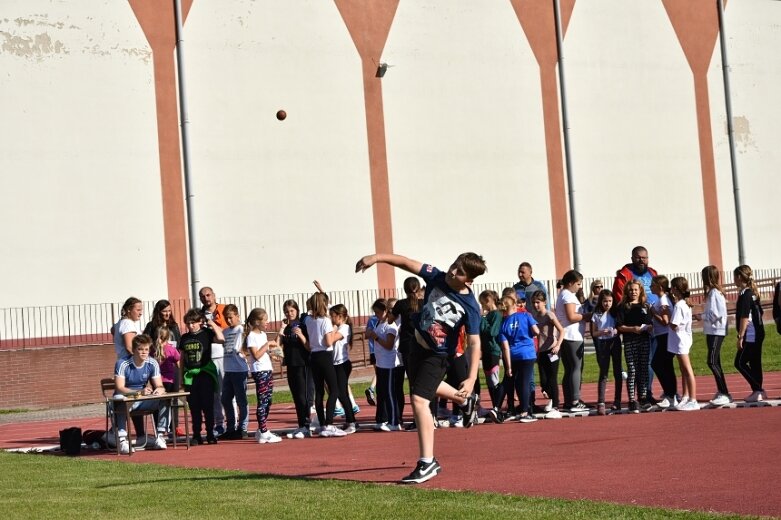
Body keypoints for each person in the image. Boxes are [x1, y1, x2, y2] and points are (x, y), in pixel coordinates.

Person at [355, 252, 485, 484]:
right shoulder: (436, 276)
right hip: (417, 345)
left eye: (460, 271)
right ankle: (464, 401)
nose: (453, 271)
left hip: (438, 355)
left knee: (418, 400)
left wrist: (472, 377)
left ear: (469, 280)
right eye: (454, 265)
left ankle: (428, 462)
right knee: (425, 388)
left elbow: (475, 343)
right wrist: (376, 258)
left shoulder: (471, 306)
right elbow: (406, 262)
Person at [612, 246, 659, 400]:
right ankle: (636, 397)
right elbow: (620, 302)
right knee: (634, 367)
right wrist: (631, 325)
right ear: (632, 258)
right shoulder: (624, 275)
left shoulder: (653, 273)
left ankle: (647, 393)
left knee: (650, 363)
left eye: (644, 257)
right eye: (638, 257)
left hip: (654, 323)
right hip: (633, 329)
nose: (642, 260)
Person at [112, 334, 170, 454]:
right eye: (140, 349)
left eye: (146, 349)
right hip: (127, 398)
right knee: (119, 399)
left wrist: (159, 389)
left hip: (143, 400)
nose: (144, 352)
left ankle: (160, 436)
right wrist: (139, 392)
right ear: (133, 350)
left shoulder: (152, 363)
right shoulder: (122, 363)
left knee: (165, 398)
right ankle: (122, 441)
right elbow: (119, 388)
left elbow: (160, 385)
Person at [179, 308, 224, 445]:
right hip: (191, 376)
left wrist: (211, 322)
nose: (190, 326)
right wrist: (181, 377)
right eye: (188, 323)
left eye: (193, 322)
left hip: (205, 374)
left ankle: (210, 434)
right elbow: (182, 358)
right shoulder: (184, 338)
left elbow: (221, 339)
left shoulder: (206, 333)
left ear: (200, 322)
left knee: (207, 405)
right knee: (194, 407)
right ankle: (197, 434)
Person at [305, 292, 347, 438]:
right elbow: (328, 342)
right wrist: (335, 330)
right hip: (325, 355)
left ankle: (322, 424)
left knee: (319, 391)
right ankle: (329, 424)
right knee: (334, 389)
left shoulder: (308, 320)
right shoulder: (326, 321)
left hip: (314, 356)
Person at [498, 294, 539, 423]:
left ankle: (498, 407)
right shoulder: (526, 316)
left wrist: (508, 366)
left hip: (514, 355)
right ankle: (525, 411)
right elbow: (536, 331)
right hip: (527, 353)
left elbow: (505, 348)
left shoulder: (503, 324)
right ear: (514, 305)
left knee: (517, 382)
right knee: (525, 382)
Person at [554, 270, 591, 412]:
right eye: (578, 283)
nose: (580, 286)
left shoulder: (564, 295)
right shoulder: (567, 295)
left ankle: (570, 400)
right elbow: (571, 316)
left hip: (568, 336)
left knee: (570, 369)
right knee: (575, 368)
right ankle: (574, 401)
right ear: (570, 283)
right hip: (572, 336)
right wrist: (587, 316)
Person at [615, 280, 653, 413]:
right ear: (626, 291)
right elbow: (619, 326)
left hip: (644, 340)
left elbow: (649, 323)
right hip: (630, 341)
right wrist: (633, 329)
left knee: (643, 369)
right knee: (632, 370)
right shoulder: (623, 307)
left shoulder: (645, 306)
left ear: (640, 290)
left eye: (636, 290)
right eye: (631, 290)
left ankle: (643, 397)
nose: (633, 292)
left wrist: (647, 327)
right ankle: (632, 400)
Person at [245, 307, 282, 444]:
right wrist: (267, 345)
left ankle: (262, 430)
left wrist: (273, 355)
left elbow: (264, 353)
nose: (267, 323)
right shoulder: (251, 337)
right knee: (263, 401)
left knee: (268, 400)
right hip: (260, 371)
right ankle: (263, 430)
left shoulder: (262, 335)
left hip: (267, 369)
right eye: (264, 320)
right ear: (256, 321)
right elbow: (256, 355)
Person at [696, 266, 730, 406]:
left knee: (712, 361)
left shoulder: (715, 293)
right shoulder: (712, 292)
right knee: (716, 361)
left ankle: (725, 392)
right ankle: (721, 390)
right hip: (712, 331)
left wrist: (701, 316)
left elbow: (716, 314)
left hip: (717, 331)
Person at [367, 301, 404, 431]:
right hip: (380, 362)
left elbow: (389, 345)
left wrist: (375, 337)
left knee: (389, 393)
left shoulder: (391, 326)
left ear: (385, 311)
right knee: (381, 392)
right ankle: (381, 419)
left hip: (389, 364)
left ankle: (394, 422)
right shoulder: (379, 323)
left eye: (377, 312)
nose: (376, 315)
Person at [278, 299, 312, 439]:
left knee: (304, 396)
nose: (289, 313)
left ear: (297, 311)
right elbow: (277, 344)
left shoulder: (303, 325)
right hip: (291, 364)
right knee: (296, 396)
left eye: (291, 311)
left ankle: (306, 425)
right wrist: (281, 329)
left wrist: (301, 335)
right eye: (286, 311)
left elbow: (309, 346)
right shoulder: (286, 328)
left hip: (302, 364)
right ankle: (301, 425)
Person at [733, 265, 767, 402]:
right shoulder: (753, 293)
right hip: (758, 332)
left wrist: (741, 336)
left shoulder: (745, 294)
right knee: (754, 362)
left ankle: (758, 388)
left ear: (739, 277)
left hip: (752, 334)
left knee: (739, 362)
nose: (734, 280)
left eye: (735, 277)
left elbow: (744, 317)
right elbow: (760, 312)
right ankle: (758, 391)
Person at [529, 290, 564, 419]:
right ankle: (551, 400)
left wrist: (558, 345)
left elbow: (561, 330)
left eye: (538, 302)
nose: (536, 305)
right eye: (534, 303)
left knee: (552, 378)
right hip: (541, 351)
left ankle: (556, 406)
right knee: (543, 382)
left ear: (544, 302)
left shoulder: (549, 315)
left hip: (552, 350)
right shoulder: (535, 317)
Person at [199, 286, 228, 436]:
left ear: (214, 295)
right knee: (214, 394)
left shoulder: (224, 310)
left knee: (226, 392)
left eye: (208, 295)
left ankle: (232, 422)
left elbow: (229, 330)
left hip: (224, 356)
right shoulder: (199, 315)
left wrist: (213, 324)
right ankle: (219, 424)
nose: (206, 298)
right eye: (203, 296)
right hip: (208, 357)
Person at [326, 304, 359, 434]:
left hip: (342, 364)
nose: (331, 318)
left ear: (340, 317)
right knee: (339, 393)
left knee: (342, 394)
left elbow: (332, 339)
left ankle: (352, 422)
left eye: (333, 316)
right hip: (335, 364)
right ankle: (350, 420)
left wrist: (333, 328)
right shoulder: (339, 326)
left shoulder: (344, 328)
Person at [219, 304, 250, 440]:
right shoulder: (225, 332)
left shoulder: (241, 330)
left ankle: (242, 428)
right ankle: (231, 427)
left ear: (237, 316)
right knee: (225, 399)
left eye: (231, 317)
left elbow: (247, 345)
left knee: (241, 400)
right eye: (226, 318)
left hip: (239, 369)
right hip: (228, 369)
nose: (229, 320)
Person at [668, 277, 698, 411]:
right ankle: (686, 396)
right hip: (682, 339)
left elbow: (674, 324)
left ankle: (693, 399)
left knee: (687, 369)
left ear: (675, 289)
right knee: (683, 369)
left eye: (672, 287)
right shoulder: (683, 304)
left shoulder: (680, 305)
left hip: (681, 340)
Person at [589, 289, 621, 415]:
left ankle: (617, 401)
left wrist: (616, 331)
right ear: (600, 302)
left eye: (610, 301)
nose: (607, 304)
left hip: (615, 342)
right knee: (604, 372)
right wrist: (603, 332)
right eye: (605, 301)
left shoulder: (615, 312)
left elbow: (619, 327)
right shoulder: (596, 314)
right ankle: (601, 402)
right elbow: (594, 332)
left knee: (618, 371)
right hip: (603, 343)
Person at [649, 275, 676, 408]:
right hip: (663, 336)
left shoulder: (664, 300)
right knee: (666, 366)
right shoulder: (662, 299)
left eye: (652, 285)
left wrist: (653, 312)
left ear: (659, 287)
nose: (650, 287)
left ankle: (669, 393)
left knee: (657, 364)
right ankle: (672, 394)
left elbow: (666, 321)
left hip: (665, 336)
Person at [478, 290, 504, 422]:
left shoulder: (496, 315)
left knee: (494, 381)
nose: (482, 306)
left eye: (483, 303)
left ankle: (497, 407)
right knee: (489, 381)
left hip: (493, 350)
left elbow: (492, 332)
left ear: (490, 301)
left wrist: (483, 320)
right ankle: (495, 406)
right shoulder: (488, 315)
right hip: (486, 350)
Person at [153, 326, 181, 435]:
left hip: (157, 381)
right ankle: (169, 428)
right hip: (170, 381)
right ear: (167, 337)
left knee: (159, 404)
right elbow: (178, 363)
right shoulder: (171, 349)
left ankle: (159, 428)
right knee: (170, 404)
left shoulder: (153, 350)